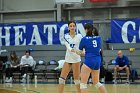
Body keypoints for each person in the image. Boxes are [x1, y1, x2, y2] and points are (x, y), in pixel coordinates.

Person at [78, 23, 107, 93]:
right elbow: (97, 50)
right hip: (97, 62)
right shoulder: (99, 38)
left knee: (83, 84)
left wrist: (75, 51)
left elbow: (80, 52)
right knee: (96, 83)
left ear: (86, 30)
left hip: (89, 61)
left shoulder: (84, 39)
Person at [58, 21, 82, 93]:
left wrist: (83, 51)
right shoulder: (66, 36)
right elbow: (68, 47)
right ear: (68, 28)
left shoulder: (80, 36)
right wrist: (75, 51)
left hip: (76, 60)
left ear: (75, 27)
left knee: (77, 80)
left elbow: (83, 46)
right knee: (61, 79)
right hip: (68, 59)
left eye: (73, 26)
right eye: (70, 26)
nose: (72, 27)